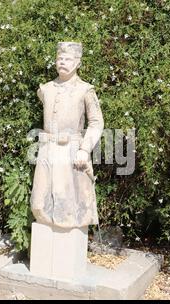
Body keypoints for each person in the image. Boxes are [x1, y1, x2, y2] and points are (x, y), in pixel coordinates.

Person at [30, 41, 104, 229]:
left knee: (68, 207)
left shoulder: (85, 90)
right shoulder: (46, 89)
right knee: (39, 202)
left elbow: (96, 122)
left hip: (72, 151)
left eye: (68, 59)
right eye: (59, 58)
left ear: (78, 62)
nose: (62, 62)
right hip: (47, 149)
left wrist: (85, 149)